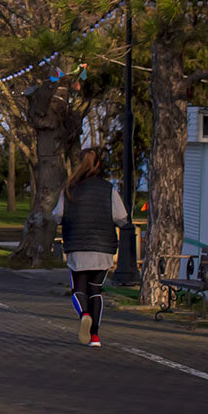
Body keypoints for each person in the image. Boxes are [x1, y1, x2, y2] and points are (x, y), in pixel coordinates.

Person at [52, 149, 134, 348]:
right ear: (98, 165)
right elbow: (121, 218)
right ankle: (95, 337)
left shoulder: (70, 188)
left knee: (78, 289)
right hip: (103, 247)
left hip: (77, 247)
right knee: (95, 291)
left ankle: (84, 314)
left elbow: (57, 215)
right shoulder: (109, 190)